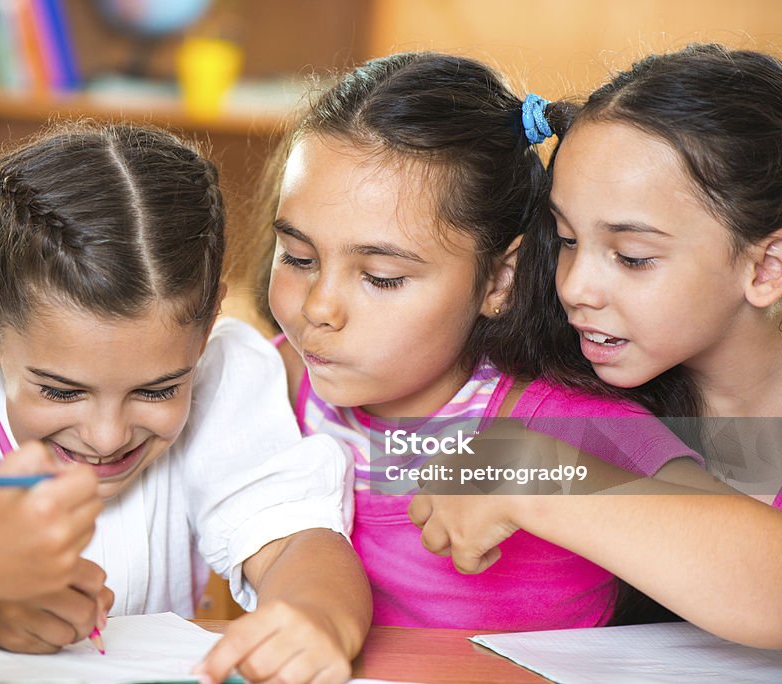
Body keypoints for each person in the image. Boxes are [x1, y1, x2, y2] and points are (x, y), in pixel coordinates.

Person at [0, 122, 371, 681]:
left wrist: (314, 620)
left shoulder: (222, 383)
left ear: (204, 331)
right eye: (60, 391)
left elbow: (299, 544)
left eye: (156, 390)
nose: (107, 437)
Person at [260, 51, 702, 631]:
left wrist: (545, 477)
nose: (318, 308)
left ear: (500, 279)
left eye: (382, 277)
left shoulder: (561, 422)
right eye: (298, 257)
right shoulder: (270, 381)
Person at [412, 44, 782, 648]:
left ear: (767, 267)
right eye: (564, 239)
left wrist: (539, 478)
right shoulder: (566, 403)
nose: (575, 287)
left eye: (633, 258)